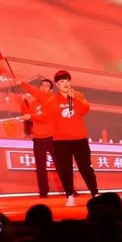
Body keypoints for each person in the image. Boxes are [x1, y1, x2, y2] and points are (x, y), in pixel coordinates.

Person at [49, 70, 98, 207]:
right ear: (57, 84)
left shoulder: (78, 95)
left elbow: (85, 109)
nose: (65, 84)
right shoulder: (52, 100)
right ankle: (70, 195)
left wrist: (74, 98)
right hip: (61, 141)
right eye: (62, 81)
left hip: (79, 139)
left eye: (67, 81)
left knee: (86, 167)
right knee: (65, 170)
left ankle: (95, 193)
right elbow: (47, 117)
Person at [20, 78, 60, 198]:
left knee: (60, 165)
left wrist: (22, 83)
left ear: (51, 90)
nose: (43, 87)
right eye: (42, 85)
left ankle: (70, 189)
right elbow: (28, 116)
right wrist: (23, 104)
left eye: (47, 86)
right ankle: (43, 191)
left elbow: (44, 118)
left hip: (52, 137)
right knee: (40, 167)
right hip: (38, 138)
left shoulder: (51, 99)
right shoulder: (34, 103)